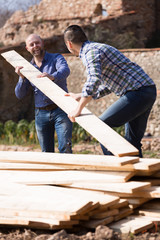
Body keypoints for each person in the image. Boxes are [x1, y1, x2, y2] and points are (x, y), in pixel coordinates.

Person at [64, 25, 157, 157]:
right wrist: (81, 95)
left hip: (136, 93)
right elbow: (109, 84)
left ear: (69, 44)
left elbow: (94, 80)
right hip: (147, 91)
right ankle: (140, 175)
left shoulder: (89, 52)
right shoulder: (97, 47)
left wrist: (79, 109)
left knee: (101, 127)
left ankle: (119, 167)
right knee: (132, 142)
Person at [15, 34, 72, 153]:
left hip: (61, 110)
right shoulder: (27, 68)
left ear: (43, 43)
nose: (35, 46)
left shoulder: (56, 58)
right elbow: (19, 94)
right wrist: (21, 77)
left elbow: (65, 70)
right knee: (46, 152)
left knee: (65, 148)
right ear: (27, 48)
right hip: (41, 114)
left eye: (37, 43)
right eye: (31, 44)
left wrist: (52, 76)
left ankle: (68, 172)